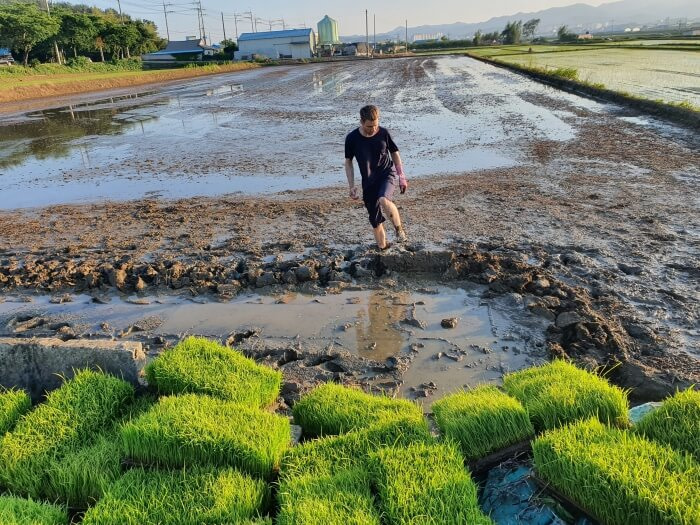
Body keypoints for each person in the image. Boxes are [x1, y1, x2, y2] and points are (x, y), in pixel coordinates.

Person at [344, 105, 408, 250]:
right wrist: (351, 185)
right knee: (375, 220)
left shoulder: (384, 133)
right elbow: (348, 162)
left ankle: (399, 230)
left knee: (383, 199)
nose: (373, 129)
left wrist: (401, 176)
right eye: (369, 126)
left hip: (387, 173)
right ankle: (383, 248)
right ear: (361, 122)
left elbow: (395, 153)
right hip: (368, 181)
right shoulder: (352, 138)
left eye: (375, 125)